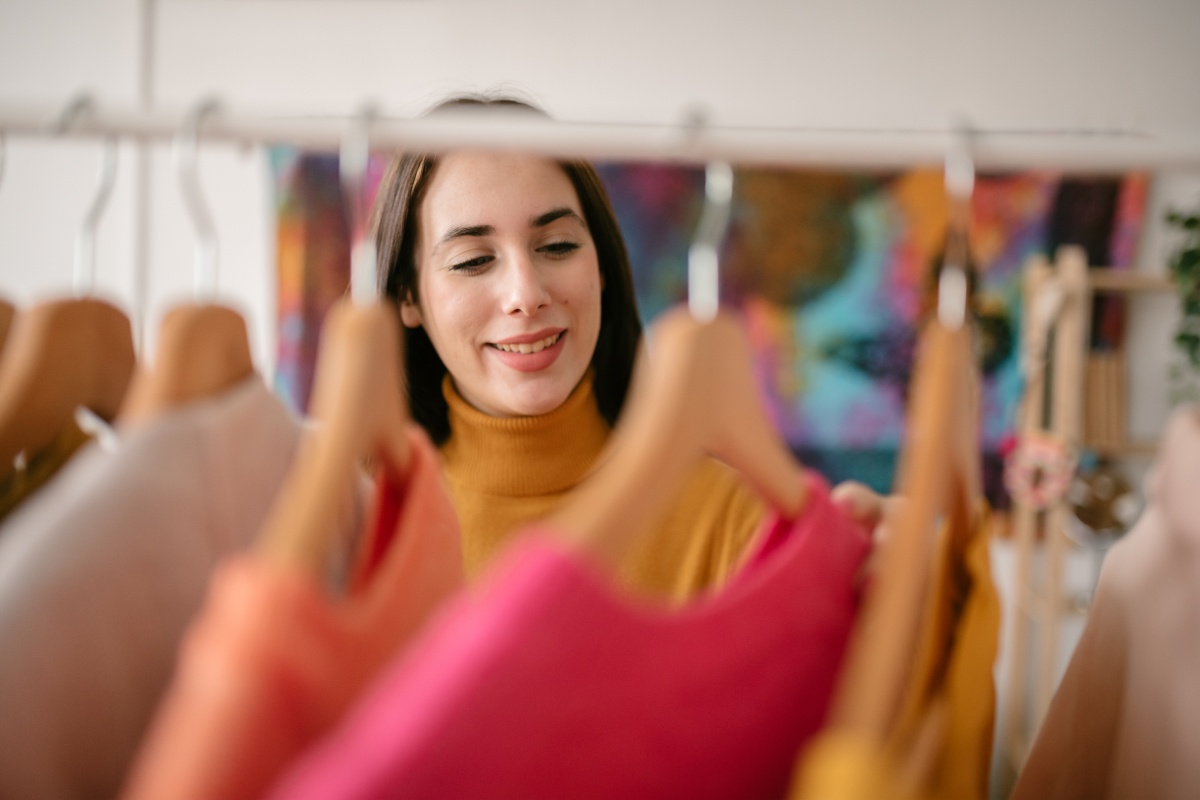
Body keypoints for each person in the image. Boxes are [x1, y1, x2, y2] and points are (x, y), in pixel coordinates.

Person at [372, 94, 885, 600]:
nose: (526, 295)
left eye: (557, 246)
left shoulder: (739, 524)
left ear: (601, 267)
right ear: (409, 296)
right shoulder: (360, 528)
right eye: (471, 261)